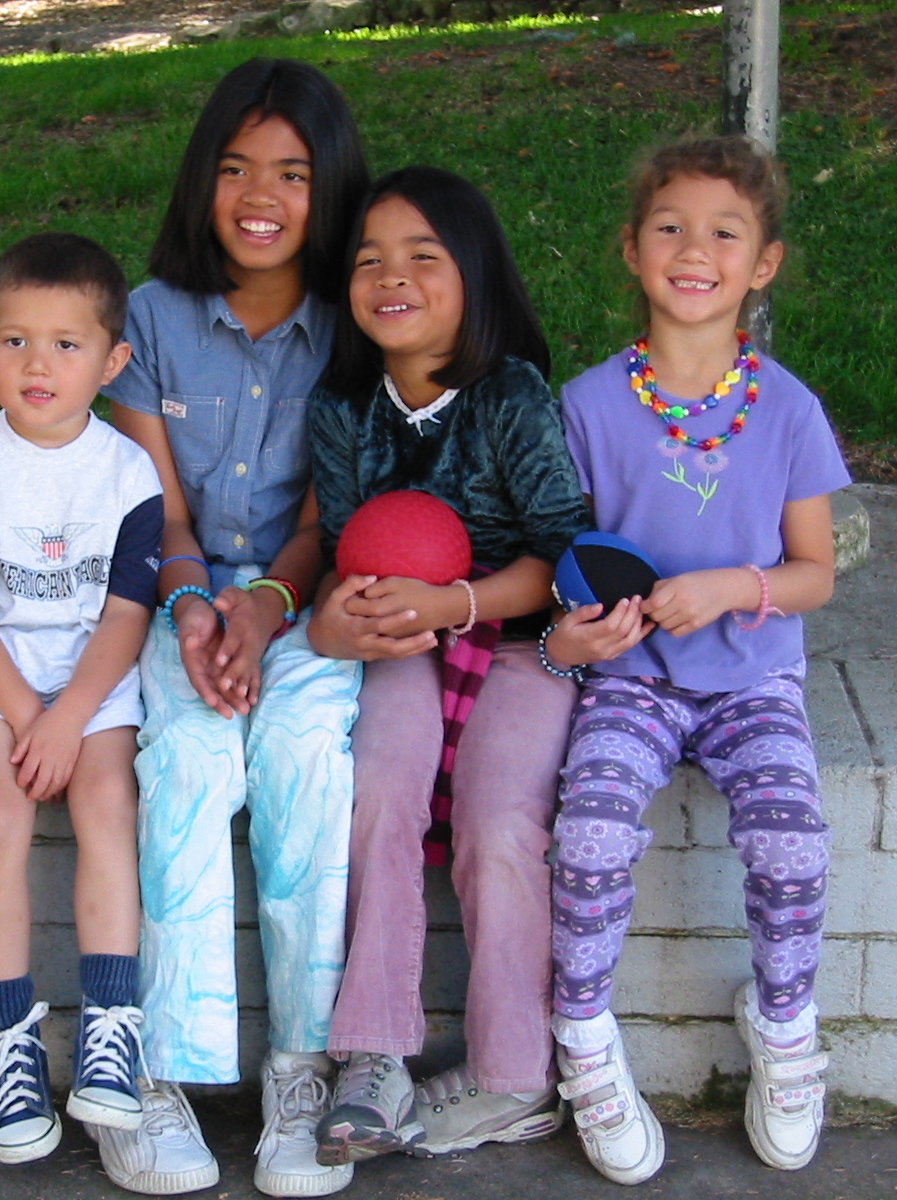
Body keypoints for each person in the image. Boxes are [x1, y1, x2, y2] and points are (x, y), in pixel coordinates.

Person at [540, 135, 847, 1183]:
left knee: (792, 843)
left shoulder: (788, 409)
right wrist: (573, 635)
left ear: (763, 264)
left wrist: (729, 587)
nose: (694, 250)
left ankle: (786, 1024)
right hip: (632, 680)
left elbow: (814, 573)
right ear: (632, 249)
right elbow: (562, 562)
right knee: (588, 833)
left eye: (725, 232)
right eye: (669, 227)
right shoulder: (586, 406)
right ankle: (584, 1037)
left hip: (753, 677)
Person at [100, 57, 370, 1198]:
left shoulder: (354, 325)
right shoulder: (149, 319)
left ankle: (300, 1070)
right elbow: (156, 507)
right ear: (200, 180)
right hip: (173, 594)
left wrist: (265, 609)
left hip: (305, 598)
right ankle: (159, 1073)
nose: (261, 195)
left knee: (304, 758)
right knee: (190, 762)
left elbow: (324, 516)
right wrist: (198, 606)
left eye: (294, 173)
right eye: (235, 167)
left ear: (332, 187)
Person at [305, 167, 590, 1172]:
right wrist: (338, 621)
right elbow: (343, 551)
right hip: (404, 644)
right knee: (378, 791)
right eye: (369, 259)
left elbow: (562, 556)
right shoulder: (343, 406)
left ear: (475, 272)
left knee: (500, 821)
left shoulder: (508, 393)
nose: (392, 277)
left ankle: (514, 1074)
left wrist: (454, 604)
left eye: (422, 256)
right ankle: (373, 1053)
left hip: (517, 639)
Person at [0, 232, 164, 1166]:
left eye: (65, 344)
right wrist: (27, 718)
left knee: (106, 802)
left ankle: (110, 1024)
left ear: (112, 361)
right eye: (15, 342)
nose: (38, 365)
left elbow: (128, 613)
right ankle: (9, 1042)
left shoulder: (128, 470)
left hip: (94, 675)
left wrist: (68, 718)